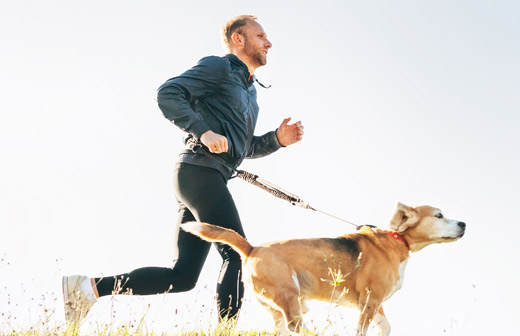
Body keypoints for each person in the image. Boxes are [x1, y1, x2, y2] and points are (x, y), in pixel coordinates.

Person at [62, 14, 304, 326]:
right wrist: (203, 131)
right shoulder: (219, 67)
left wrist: (276, 140)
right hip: (199, 173)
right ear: (238, 40)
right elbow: (168, 93)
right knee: (239, 253)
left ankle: (85, 289)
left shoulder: (250, 92)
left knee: (183, 276)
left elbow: (238, 148)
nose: (268, 43)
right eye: (260, 36)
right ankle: (226, 332)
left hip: (205, 177)